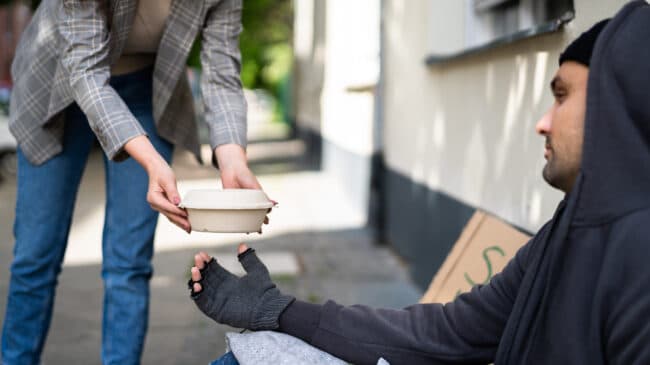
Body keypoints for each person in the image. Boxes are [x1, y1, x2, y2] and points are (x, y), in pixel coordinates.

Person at [187, 1, 650, 364]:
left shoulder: (638, 257)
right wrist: (280, 311)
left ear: (619, 102)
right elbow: (445, 335)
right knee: (260, 353)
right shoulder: (564, 232)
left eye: (563, 97)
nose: (542, 123)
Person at [1, 0, 265, 364]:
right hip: (59, 84)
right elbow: (86, 72)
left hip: (144, 89)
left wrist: (232, 157)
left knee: (130, 262)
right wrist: (151, 161)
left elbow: (221, 71)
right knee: (36, 257)